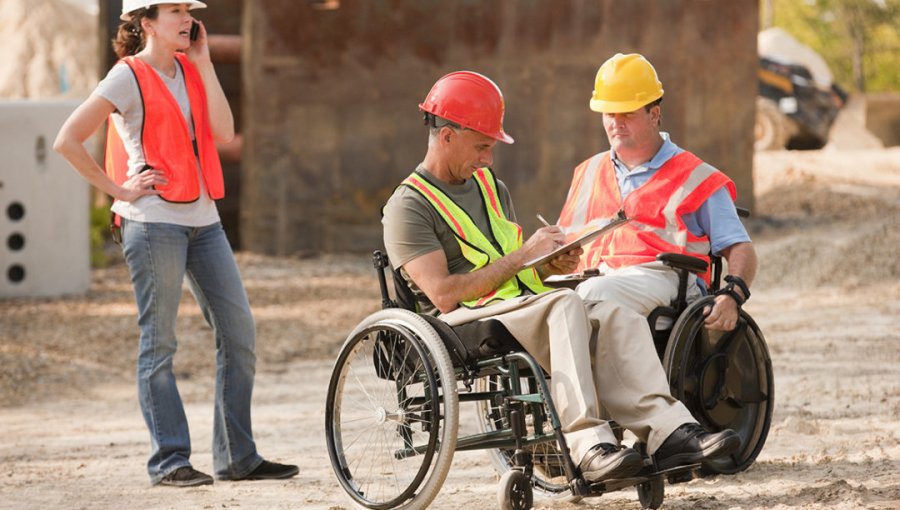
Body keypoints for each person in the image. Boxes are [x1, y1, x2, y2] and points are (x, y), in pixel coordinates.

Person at [382, 70, 740, 482]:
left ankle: (667, 431)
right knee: (567, 303)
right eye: (482, 146)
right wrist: (524, 256)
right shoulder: (408, 207)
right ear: (447, 137)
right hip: (462, 321)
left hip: (514, 303)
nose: (488, 158)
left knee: (612, 312)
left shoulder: (488, 186)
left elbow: (509, 263)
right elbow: (444, 294)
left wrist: (549, 263)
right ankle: (588, 444)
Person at [53, 1, 297, 487]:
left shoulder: (191, 68)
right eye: (174, 10)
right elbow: (67, 139)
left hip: (203, 220)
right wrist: (120, 191)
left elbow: (225, 132)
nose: (186, 19)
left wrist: (205, 63)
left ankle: (236, 457)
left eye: (189, 10)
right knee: (160, 343)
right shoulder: (127, 77)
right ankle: (169, 461)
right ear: (146, 22)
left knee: (239, 333)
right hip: (152, 222)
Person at [557, 53, 758, 333]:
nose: (616, 122)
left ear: (654, 114)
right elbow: (564, 241)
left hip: (667, 282)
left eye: (627, 112)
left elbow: (740, 247)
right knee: (554, 303)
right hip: (598, 278)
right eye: (609, 114)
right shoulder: (588, 171)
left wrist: (733, 296)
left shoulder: (696, 176)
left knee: (590, 296)